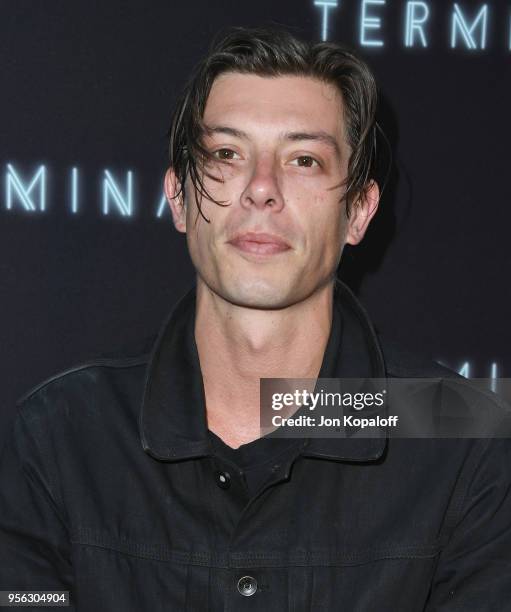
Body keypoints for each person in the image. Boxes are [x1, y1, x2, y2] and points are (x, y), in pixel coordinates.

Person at [1, 26, 510, 611]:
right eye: (226, 154)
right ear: (179, 198)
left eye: (304, 159)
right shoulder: (62, 433)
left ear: (359, 212)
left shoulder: (467, 439)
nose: (261, 189)